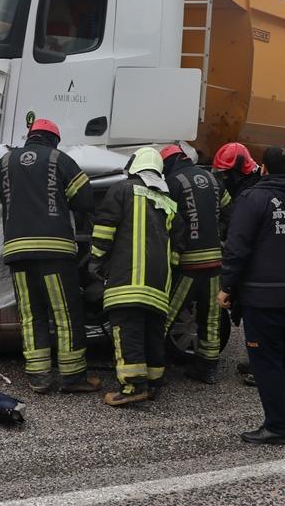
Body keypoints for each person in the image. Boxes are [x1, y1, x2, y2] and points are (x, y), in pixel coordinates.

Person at [0, 118, 99, 395]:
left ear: (30, 137)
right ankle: (72, 376)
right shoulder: (60, 160)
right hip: (55, 252)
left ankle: (39, 378)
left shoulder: (5, 162)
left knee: (31, 315)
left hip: (18, 253)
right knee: (65, 314)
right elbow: (86, 202)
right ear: (54, 139)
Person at [219, 146, 285, 445]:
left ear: (263, 168)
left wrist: (226, 287)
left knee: (266, 362)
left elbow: (237, 247)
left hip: (263, 298)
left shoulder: (253, 199)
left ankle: (278, 426)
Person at [91, 147, 184, 406]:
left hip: (127, 282)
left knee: (128, 332)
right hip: (159, 287)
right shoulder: (169, 203)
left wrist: (96, 261)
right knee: (152, 333)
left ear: (135, 165)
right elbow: (178, 249)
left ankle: (133, 387)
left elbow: (104, 230)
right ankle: (154, 382)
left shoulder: (122, 190)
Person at [160, 145, 228, 384]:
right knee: (210, 317)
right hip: (214, 261)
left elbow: (168, 220)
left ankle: (155, 367)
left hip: (188, 262)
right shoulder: (212, 178)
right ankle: (207, 369)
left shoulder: (171, 181)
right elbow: (229, 210)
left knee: (166, 314)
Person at [211, 141, 260, 385]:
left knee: (256, 316)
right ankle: (256, 361)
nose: (223, 178)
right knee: (252, 315)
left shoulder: (251, 194)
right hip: (256, 263)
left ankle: (261, 368)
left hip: (256, 265)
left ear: (239, 170)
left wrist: (228, 282)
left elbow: (241, 237)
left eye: (226, 173)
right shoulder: (247, 188)